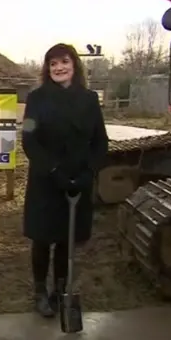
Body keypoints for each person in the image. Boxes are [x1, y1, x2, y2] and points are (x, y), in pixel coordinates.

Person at [21, 43, 109, 318]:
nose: (59, 68)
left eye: (64, 62)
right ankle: (39, 292)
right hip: (46, 181)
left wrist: (88, 173)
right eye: (53, 63)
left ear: (74, 65)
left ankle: (60, 292)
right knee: (43, 238)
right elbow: (29, 140)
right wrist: (53, 171)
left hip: (78, 181)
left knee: (66, 240)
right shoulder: (37, 99)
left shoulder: (89, 99)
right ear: (48, 68)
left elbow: (100, 142)